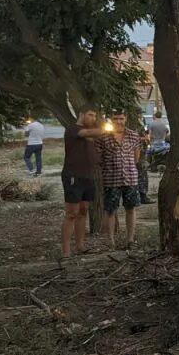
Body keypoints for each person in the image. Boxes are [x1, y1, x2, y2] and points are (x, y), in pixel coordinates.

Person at [61, 105, 105, 258]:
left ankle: (80, 246)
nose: (93, 118)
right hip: (73, 175)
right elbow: (89, 132)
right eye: (90, 115)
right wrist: (107, 128)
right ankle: (66, 250)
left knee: (83, 211)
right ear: (81, 114)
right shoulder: (73, 129)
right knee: (71, 213)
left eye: (94, 116)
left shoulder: (90, 137)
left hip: (89, 176)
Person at [98, 111, 143, 248]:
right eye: (115, 118)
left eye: (121, 118)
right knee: (111, 210)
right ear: (111, 120)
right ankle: (111, 241)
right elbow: (99, 158)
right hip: (111, 179)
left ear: (126, 119)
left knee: (131, 209)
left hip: (130, 178)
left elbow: (136, 157)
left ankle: (130, 240)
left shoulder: (133, 135)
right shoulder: (103, 137)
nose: (119, 121)